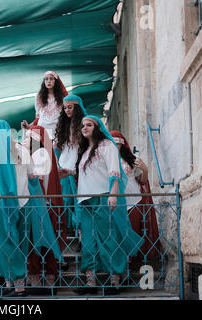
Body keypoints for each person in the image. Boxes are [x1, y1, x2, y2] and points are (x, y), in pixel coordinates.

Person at [0, 120, 63, 297]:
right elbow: (32, 177)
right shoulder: (22, 150)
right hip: (23, 204)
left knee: (2, 245)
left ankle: (18, 285)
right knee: (19, 244)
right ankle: (11, 283)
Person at [73, 116, 144, 295]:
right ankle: (90, 283)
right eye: (82, 125)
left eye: (89, 125)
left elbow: (115, 171)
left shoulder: (107, 145)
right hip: (85, 201)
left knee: (109, 238)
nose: (84, 128)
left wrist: (113, 194)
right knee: (88, 241)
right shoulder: (83, 150)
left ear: (97, 128)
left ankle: (115, 281)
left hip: (104, 197)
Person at [23, 125, 67, 295]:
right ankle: (42, 277)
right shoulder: (37, 155)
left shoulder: (40, 154)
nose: (25, 140)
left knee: (40, 243)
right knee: (38, 243)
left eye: (28, 137)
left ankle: (44, 278)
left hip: (41, 206)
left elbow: (37, 181)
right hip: (40, 205)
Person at [110, 130, 161, 267]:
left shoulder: (133, 158)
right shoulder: (105, 159)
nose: (115, 146)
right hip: (115, 203)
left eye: (118, 143)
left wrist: (145, 170)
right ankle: (120, 267)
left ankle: (132, 264)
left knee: (134, 232)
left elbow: (142, 182)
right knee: (118, 235)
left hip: (134, 201)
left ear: (122, 144)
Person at [54, 94, 87, 231]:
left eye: (70, 107)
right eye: (65, 108)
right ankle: (70, 229)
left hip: (79, 166)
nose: (67, 110)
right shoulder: (63, 125)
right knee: (66, 199)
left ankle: (81, 234)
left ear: (77, 107)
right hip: (64, 165)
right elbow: (57, 146)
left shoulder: (85, 124)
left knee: (79, 200)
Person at [21, 70, 68, 140]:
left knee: (52, 150)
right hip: (41, 132)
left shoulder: (62, 97)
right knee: (39, 150)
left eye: (51, 79)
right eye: (46, 79)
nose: (48, 81)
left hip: (57, 132)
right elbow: (38, 117)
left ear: (56, 81)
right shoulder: (38, 96)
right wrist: (28, 126)